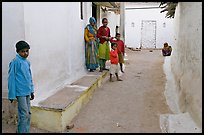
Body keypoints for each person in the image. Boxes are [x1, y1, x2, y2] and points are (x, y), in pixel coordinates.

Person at [8, 40, 34, 133]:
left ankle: (24, 131)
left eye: (27, 51)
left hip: (27, 91)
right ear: (17, 51)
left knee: (28, 113)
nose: (25, 53)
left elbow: (29, 77)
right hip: (20, 93)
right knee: (24, 114)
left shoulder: (27, 62)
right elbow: (11, 79)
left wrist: (32, 90)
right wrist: (11, 95)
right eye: (23, 51)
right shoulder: (15, 62)